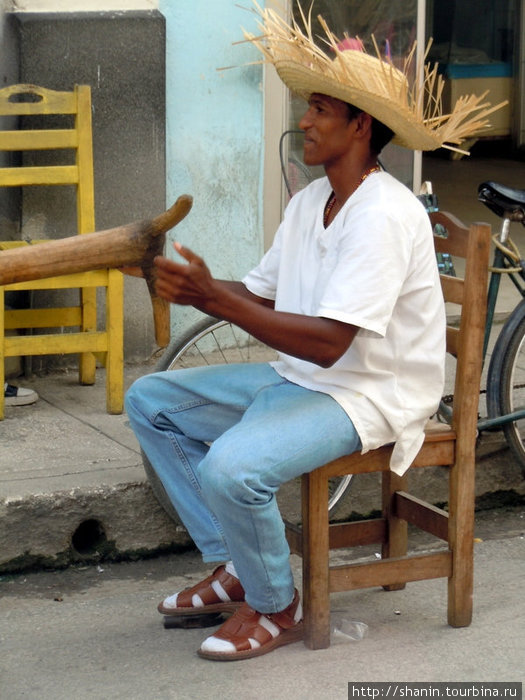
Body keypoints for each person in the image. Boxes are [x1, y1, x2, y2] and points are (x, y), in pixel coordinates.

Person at [125, 5, 501, 661]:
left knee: (233, 469)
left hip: (366, 394)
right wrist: (189, 286)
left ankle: (276, 607)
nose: (303, 120)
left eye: (319, 110)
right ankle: (237, 564)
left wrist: (216, 297)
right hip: (303, 380)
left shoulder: (382, 214)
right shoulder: (308, 203)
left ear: (359, 125)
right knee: (150, 401)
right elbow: (258, 295)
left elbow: (331, 343)